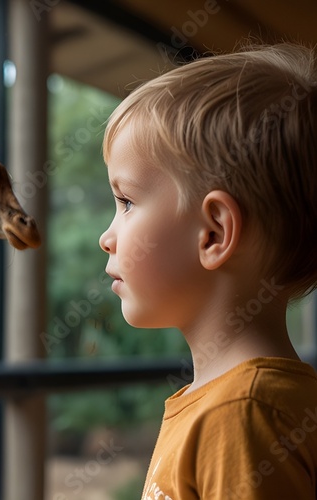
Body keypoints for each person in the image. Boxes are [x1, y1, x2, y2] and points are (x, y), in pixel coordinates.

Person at [99, 43, 317, 499]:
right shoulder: (243, 403)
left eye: (126, 202)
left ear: (214, 233)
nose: (107, 236)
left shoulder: (241, 415)